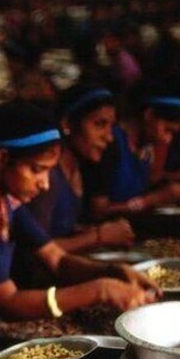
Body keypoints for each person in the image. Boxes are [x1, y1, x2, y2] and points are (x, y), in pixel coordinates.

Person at [0, 101, 159, 358]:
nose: (45, 184)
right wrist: (99, 290)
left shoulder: (7, 201)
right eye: (37, 170)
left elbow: (56, 259)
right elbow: (10, 302)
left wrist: (114, 273)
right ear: (2, 159)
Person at [25, 85, 135, 253]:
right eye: (99, 124)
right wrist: (99, 236)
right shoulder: (49, 176)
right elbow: (34, 251)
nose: (109, 137)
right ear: (67, 124)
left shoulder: (79, 168)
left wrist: (86, 231)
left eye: (111, 126)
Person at [80, 87, 180, 220]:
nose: (167, 139)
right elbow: (98, 211)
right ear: (149, 115)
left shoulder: (147, 146)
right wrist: (151, 200)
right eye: (167, 130)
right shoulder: (109, 145)